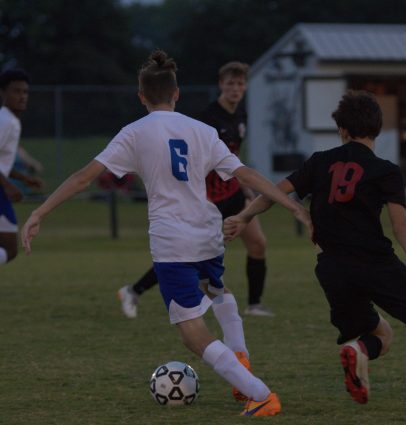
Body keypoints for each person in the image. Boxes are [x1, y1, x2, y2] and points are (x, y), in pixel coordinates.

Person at [20, 51, 312, 416]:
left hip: (172, 241)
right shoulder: (203, 130)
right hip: (208, 232)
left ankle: (259, 393)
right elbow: (247, 174)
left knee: (191, 331)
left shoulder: (134, 133)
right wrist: (293, 206)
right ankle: (240, 358)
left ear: (141, 97)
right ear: (176, 95)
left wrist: (40, 211)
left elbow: (83, 178)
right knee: (217, 290)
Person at [224, 90, 406, 413]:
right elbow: (401, 227)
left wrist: (243, 215)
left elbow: (274, 193)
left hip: (331, 269)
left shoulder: (320, 161)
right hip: (375, 264)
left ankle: (360, 350)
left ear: (342, 130)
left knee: (381, 335)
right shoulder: (385, 170)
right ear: (377, 128)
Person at [118, 61, 275, 318]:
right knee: (188, 255)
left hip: (233, 192)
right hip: (209, 198)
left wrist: (245, 189)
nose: (235, 88)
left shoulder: (240, 115)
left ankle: (254, 304)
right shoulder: (208, 119)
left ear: (245, 86)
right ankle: (133, 290)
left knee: (258, 244)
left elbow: (233, 157)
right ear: (221, 85)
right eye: (230, 83)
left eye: (240, 83)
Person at [0, 69, 43, 266]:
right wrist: (8, 186)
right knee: (9, 250)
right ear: (3, 93)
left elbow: (3, 163)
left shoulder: (11, 120)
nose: (22, 96)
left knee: (8, 250)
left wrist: (24, 179)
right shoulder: (6, 120)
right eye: (16, 91)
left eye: (25, 92)